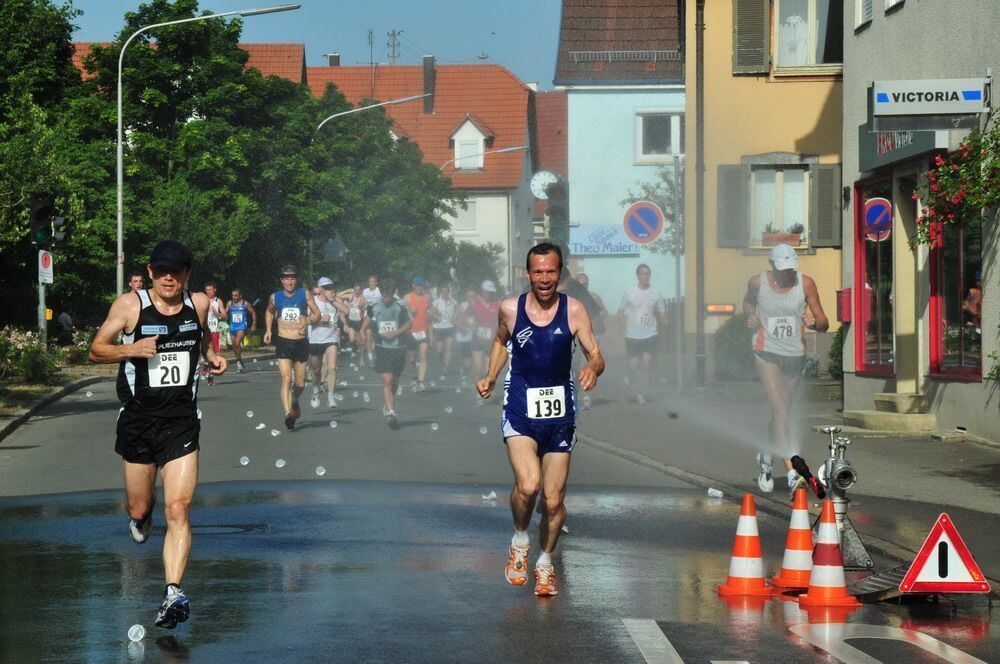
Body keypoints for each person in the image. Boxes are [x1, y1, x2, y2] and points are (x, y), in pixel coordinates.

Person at [88, 240, 227, 629]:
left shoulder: (197, 304)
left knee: (179, 508)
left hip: (182, 420)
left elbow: (199, 344)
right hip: (138, 421)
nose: (169, 277)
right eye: (162, 270)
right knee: (140, 508)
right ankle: (140, 518)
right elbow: (96, 350)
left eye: (177, 270)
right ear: (150, 272)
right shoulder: (130, 306)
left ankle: (173, 593)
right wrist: (129, 349)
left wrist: (213, 357)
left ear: (187, 274)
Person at [477, 242, 604, 598]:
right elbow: (501, 341)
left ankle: (545, 563)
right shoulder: (510, 309)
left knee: (553, 500)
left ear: (559, 273)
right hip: (519, 408)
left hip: (561, 416)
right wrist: (489, 375)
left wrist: (593, 368)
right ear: (527, 273)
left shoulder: (575, 310)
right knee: (528, 486)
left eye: (551, 272)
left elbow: (597, 354)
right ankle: (520, 540)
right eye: (538, 272)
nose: (544, 279)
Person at [743, 243, 829, 493]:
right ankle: (792, 471)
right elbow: (747, 303)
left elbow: (824, 322)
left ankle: (766, 455)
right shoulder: (757, 283)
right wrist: (751, 315)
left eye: (791, 269)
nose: (788, 274)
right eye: (783, 270)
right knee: (780, 408)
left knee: (784, 410)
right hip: (766, 351)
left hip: (794, 354)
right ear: (771, 266)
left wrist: (814, 323)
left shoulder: (807, 284)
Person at [263, 266, 321, 431]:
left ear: (296, 280)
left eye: (292, 278)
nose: (289, 281)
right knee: (287, 378)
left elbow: (317, 314)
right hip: (283, 341)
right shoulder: (275, 297)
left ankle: (294, 399)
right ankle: (288, 413)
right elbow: (269, 312)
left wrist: (308, 321)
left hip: (300, 342)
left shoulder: (305, 294)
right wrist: (268, 330)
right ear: (281, 280)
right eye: (286, 278)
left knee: (300, 383)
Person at [360, 279, 412, 428]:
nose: (386, 298)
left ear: (393, 293)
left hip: (399, 347)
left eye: (389, 295)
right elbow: (366, 323)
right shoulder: (374, 306)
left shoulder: (401, 306)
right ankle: (391, 412)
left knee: (395, 381)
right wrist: (363, 333)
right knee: (387, 380)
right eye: (384, 295)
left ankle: (389, 404)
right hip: (382, 347)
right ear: (381, 293)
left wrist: (395, 332)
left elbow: (409, 323)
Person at [617, 264, 666, 405]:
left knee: (646, 364)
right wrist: (620, 323)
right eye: (643, 274)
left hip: (650, 334)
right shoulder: (629, 292)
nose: (645, 276)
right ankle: (629, 375)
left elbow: (661, 310)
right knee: (634, 366)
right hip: (632, 335)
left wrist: (664, 320)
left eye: (648, 273)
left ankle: (640, 392)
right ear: (638, 275)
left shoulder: (656, 292)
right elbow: (621, 309)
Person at [309, 277, 350, 408]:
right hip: (315, 340)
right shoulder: (313, 301)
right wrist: (320, 320)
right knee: (316, 370)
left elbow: (346, 310)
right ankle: (315, 392)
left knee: (332, 367)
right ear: (320, 289)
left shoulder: (334, 301)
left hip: (331, 339)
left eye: (330, 287)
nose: (328, 290)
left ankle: (331, 397)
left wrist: (332, 300)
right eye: (325, 288)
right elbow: (306, 319)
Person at [404, 276, 432, 391]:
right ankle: (414, 377)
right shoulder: (407, 297)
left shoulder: (427, 297)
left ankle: (421, 382)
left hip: (423, 331)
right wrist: (410, 312)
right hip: (411, 331)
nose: (420, 288)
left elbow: (429, 311)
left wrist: (431, 332)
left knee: (423, 356)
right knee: (412, 359)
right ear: (413, 286)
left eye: (422, 285)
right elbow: (401, 313)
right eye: (418, 285)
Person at [471, 280, 500, 385]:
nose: (489, 294)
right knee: (478, 369)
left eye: (491, 292)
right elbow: (462, 316)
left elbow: (500, 320)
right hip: (477, 340)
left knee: (488, 371)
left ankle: (485, 389)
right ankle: (479, 391)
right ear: (482, 291)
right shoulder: (475, 303)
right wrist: (470, 326)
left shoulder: (496, 304)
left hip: (490, 341)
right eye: (487, 291)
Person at [226, 288, 256, 373]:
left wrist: (254, 323)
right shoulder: (229, 303)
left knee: (237, 343)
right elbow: (225, 312)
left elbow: (253, 312)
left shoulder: (245, 304)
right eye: (232, 295)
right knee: (234, 345)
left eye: (236, 295)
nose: (234, 297)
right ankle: (239, 359)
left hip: (241, 326)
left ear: (240, 296)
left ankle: (238, 361)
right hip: (232, 326)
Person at [431, 285, 457, 377]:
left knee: (449, 348)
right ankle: (440, 355)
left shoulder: (453, 302)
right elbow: (432, 312)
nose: (444, 293)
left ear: (448, 292)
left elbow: (457, 312)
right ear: (441, 292)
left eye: (446, 291)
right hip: (439, 327)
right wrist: (437, 317)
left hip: (449, 327)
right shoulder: (437, 302)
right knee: (439, 349)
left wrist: (455, 319)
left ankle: (445, 368)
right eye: (443, 291)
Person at [202, 283, 226, 386]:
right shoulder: (202, 300)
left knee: (214, 354)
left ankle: (210, 376)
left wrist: (216, 313)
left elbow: (225, 316)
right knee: (204, 353)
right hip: (204, 331)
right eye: (206, 290)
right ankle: (205, 367)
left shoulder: (218, 301)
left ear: (214, 290)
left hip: (214, 331)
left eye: (210, 289)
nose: (208, 292)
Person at [453, 287, 477, 382]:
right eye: (469, 296)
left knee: (476, 357)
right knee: (467, 360)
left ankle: (474, 377)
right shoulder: (462, 306)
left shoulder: (479, 306)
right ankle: (464, 367)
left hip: (475, 335)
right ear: (466, 297)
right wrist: (461, 327)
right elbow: (454, 319)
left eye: (473, 296)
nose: (471, 298)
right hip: (464, 335)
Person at [361, 274, 382, 366]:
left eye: (373, 282)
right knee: (369, 337)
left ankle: (377, 354)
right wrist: (363, 304)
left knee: (377, 338)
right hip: (368, 316)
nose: (371, 284)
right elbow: (361, 304)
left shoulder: (379, 291)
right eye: (370, 282)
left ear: (376, 283)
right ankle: (370, 358)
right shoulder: (365, 291)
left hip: (378, 316)